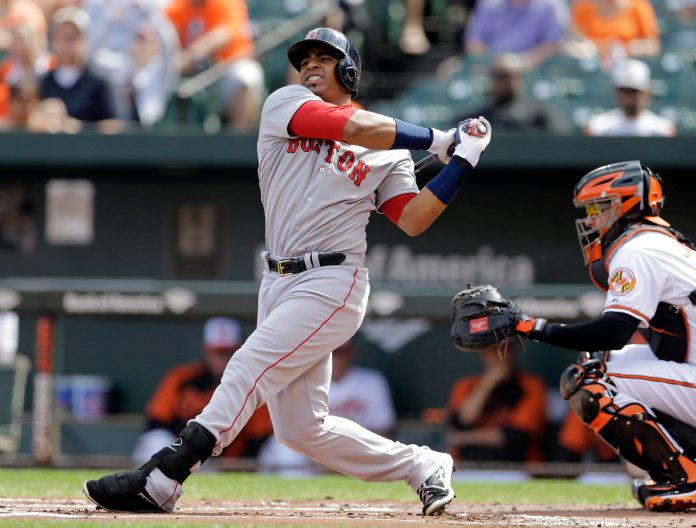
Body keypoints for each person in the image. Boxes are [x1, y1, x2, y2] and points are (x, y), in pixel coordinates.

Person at [83, 27, 493, 516]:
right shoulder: (285, 103)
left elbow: (412, 218)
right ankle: (421, 466)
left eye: (325, 58)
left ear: (350, 71)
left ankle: (166, 475)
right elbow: (354, 128)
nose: (312, 67)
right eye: (306, 60)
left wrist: (461, 160)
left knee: (247, 365)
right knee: (302, 429)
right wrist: (439, 138)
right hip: (277, 280)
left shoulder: (389, 152)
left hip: (333, 281)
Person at [450, 161, 696, 511]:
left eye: (595, 208)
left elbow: (614, 332)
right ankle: (683, 458)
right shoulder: (658, 242)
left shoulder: (637, 249)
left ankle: (692, 476)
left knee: (590, 377)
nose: (588, 220)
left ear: (622, 205)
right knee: (597, 363)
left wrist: (529, 326)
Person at [131, 317, 273, 465]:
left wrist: (230, 464)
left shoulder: (250, 382)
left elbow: (258, 436)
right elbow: (156, 421)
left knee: (280, 449)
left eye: (227, 352)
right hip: (184, 457)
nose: (221, 358)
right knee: (156, 440)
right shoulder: (182, 378)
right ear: (206, 350)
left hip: (232, 461)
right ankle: (154, 486)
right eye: (217, 352)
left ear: (238, 351)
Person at [257, 338, 397, 472]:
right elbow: (289, 430)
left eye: (341, 352)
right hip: (311, 452)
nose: (336, 358)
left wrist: (350, 459)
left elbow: (383, 431)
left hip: (354, 449)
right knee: (284, 449)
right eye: (331, 353)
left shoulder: (371, 381)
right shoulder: (303, 379)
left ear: (351, 352)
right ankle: (298, 496)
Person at [164, 0, 264, 130]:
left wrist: (190, 55)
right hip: (189, 72)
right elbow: (159, 34)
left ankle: (238, 140)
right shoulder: (177, 6)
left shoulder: (226, 3)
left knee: (245, 77)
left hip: (225, 67)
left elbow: (223, 35)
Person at [447, 340, 547, 462]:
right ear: (484, 355)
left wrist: (467, 438)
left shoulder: (532, 386)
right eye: (493, 351)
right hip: (468, 467)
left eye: (506, 350)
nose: (501, 356)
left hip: (518, 468)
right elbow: (461, 421)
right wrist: (487, 384)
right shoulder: (466, 385)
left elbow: (517, 437)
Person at [38, 6, 120, 132]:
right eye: (61, 37)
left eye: (72, 38)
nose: (65, 44)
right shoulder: (44, 82)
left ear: (84, 40)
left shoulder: (99, 83)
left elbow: (114, 125)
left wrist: (80, 127)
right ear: (53, 41)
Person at [465, 52, 572, 134]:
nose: (500, 82)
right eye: (495, 76)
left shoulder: (539, 112)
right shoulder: (481, 116)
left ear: (519, 78)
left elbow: (561, 135)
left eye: (505, 76)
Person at [584, 58, 676, 137]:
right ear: (615, 91)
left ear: (647, 92)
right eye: (623, 90)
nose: (628, 96)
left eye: (634, 91)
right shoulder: (599, 126)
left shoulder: (662, 129)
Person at [464, 0, 569, 68]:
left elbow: (552, 44)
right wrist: (496, 63)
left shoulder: (550, 5)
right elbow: (474, 42)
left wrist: (523, 63)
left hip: (534, 71)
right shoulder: (488, 4)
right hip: (491, 70)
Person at [570, 0, 660, 66]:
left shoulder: (639, 6)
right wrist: (595, 47)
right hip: (591, 65)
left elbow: (653, 46)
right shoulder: (583, 6)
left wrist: (629, 48)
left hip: (629, 68)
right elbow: (573, 41)